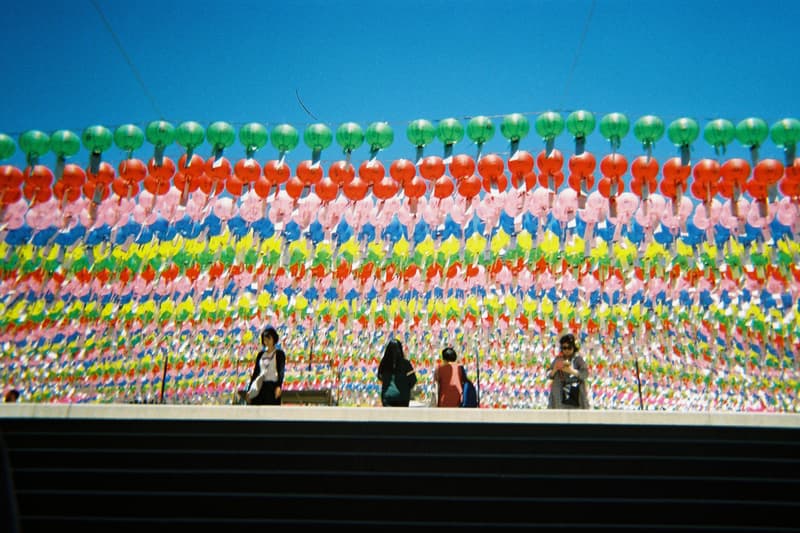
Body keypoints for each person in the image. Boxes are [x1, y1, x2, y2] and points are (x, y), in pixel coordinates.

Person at [239, 326, 286, 405]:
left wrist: (279, 386)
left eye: (269, 338)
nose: (266, 341)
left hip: (272, 386)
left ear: (274, 339)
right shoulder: (261, 355)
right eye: (265, 339)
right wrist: (249, 390)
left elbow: (281, 371)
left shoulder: (279, 354)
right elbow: (256, 372)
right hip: (260, 386)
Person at [546, 333, 590, 409]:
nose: (566, 350)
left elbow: (585, 374)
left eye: (569, 348)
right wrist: (555, 369)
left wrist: (571, 371)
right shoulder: (558, 359)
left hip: (576, 398)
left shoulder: (578, 360)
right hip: (559, 399)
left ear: (573, 347)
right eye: (564, 348)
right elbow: (548, 375)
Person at [376, 338, 417, 407]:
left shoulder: (384, 363)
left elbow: (379, 376)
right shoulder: (406, 364)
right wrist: (405, 387)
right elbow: (413, 380)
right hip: (402, 397)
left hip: (387, 397)